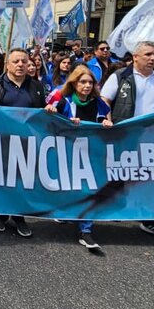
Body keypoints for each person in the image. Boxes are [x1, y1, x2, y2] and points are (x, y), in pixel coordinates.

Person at [100, 40, 154, 241]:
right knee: (120, 174)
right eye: (148, 54)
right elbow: (104, 100)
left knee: (151, 177)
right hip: (126, 133)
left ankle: (150, 219)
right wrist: (107, 117)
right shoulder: (120, 76)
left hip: (153, 136)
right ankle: (116, 208)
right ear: (135, 57)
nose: (152, 58)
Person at [43, 65, 112, 253]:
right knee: (69, 187)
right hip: (68, 152)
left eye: (90, 82)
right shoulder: (63, 101)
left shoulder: (99, 103)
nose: (87, 85)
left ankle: (86, 230)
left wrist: (106, 122)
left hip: (92, 153)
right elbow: (49, 119)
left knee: (89, 189)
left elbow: (107, 120)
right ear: (74, 83)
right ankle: (67, 211)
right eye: (83, 82)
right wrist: (54, 112)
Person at [0, 47, 46, 237]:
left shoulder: (37, 87)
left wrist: (48, 109)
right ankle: (1, 216)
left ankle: (19, 217)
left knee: (23, 180)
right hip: (0, 140)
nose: (20, 65)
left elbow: (40, 112)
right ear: (7, 64)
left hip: (27, 141)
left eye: (24, 62)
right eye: (16, 61)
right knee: (2, 178)